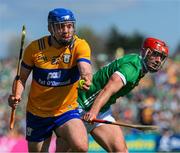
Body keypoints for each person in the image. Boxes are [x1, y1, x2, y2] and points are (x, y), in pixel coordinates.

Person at [57, 37, 169, 152]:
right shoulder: (132, 68)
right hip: (80, 106)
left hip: (100, 110)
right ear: (147, 52)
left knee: (121, 151)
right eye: (156, 54)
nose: (158, 60)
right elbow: (108, 89)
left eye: (162, 57)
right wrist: (93, 112)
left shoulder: (138, 68)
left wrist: (95, 112)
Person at [8, 8, 92, 152]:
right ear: (50, 28)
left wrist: (86, 78)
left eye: (69, 26)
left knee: (81, 146)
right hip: (37, 112)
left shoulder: (80, 45)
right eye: (60, 26)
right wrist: (16, 95)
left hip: (66, 110)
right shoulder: (34, 49)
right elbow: (21, 79)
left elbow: (85, 68)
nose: (66, 30)